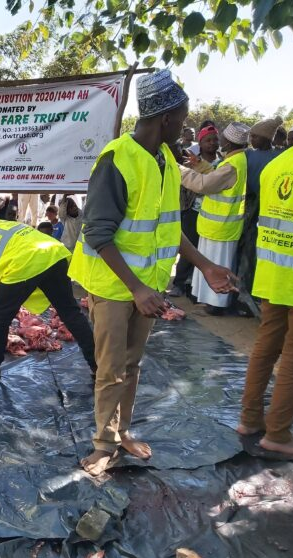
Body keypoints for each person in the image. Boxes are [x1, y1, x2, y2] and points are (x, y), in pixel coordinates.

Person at [68, 70, 236, 476]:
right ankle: (103, 444)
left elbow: (169, 228)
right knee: (111, 368)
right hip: (114, 285)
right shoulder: (117, 160)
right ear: (165, 118)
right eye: (182, 118)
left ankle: (121, 431)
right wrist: (136, 288)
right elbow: (98, 232)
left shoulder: (164, 162)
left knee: (132, 364)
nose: (185, 126)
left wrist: (206, 265)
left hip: (147, 287)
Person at [0, 198, 97, 377]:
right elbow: (0, 278)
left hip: (26, 263)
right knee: (71, 313)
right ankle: (99, 366)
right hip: (54, 253)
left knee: (0, 318)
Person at [237, 143, 293, 455]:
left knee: (266, 347)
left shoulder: (277, 164)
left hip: (271, 273)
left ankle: (250, 419)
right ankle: (278, 434)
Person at [189, 122, 248, 315]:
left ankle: (216, 305)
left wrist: (178, 171)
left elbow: (204, 185)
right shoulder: (235, 160)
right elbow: (216, 176)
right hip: (217, 226)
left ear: (228, 143)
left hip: (221, 226)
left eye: (221, 138)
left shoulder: (232, 164)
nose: (218, 141)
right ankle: (209, 302)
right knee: (210, 263)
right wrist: (200, 165)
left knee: (217, 266)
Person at [167, 125, 220, 298]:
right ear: (201, 143)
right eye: (207, 140)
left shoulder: (223, 162)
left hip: (215, 215)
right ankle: (179, 283)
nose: (212, 143)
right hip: (193, 210)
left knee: (207, 250)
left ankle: (197, 286)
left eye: (215, 140)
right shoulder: (191, 162)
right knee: (189, 247)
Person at [238, 116, 284, 294]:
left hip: (267, 206)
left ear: (266, 138)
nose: (251, 140)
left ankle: (250, 287)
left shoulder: (278, 157)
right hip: (247, 204)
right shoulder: (247, 154)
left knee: (254, 248)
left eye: (255, 136)